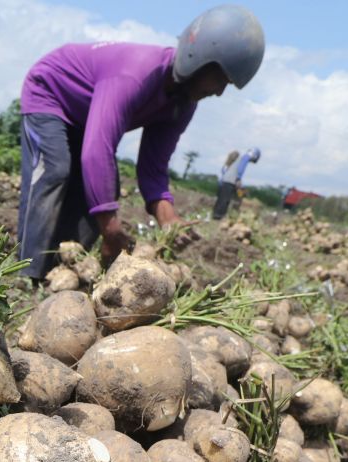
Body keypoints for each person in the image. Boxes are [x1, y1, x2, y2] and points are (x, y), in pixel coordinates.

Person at [16, 5, 266, 280]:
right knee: (55, 170)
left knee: (103, 188)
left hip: (85, 116)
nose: (219, 92)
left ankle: (61, 271)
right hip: (50, 94)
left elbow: (153, 167)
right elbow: (97, 150)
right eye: (220, 79)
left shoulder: (181, 106)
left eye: (227, 85)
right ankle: (25, 273)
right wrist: (110, 228)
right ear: (200, 58)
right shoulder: (135, 73)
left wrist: (168, 220)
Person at [213, 145, 260, 219]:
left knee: (221, 199)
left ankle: (216, 214)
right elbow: (241, 168)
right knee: (225, 199)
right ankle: (219, 215)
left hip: (225, 180)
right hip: (230, 181)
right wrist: (238, 178)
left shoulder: (238, 159)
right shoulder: (246, 157)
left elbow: (224, 170)